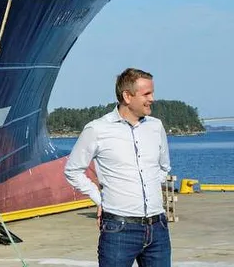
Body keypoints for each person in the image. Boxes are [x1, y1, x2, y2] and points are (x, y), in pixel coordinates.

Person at [63, 68, 172, 267]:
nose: (153, 98)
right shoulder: (97, 129)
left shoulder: (156, 127)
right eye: (147, 94)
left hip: (158, 228)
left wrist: (146, 189)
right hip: (119, 230)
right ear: (127, 96)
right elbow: (73, 170)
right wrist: (99, 199)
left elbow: (164, 167)